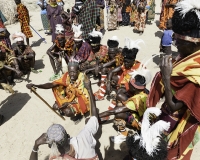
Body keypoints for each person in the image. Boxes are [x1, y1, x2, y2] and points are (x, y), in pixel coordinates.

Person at [148, 0, 200, 158]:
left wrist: (165, 75)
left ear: (194, 43)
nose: (175, 42)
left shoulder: (196, 73)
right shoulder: (189, 58)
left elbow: (174, 106)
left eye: (179, 41)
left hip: (177, 122)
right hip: (168, 116)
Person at [29, 73, 99, 160]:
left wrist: (36, 145)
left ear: (50, 145)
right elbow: (94, 118)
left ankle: (77, 115)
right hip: (70, 102)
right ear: (68, 135)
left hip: (77, 102)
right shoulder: (84, 137)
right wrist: (89, 89)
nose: (72, 74)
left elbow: (82, 97)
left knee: (69, 110)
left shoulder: (55, 158)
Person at [99, 67, 151, 143]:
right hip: (141, 113)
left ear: (134, 88)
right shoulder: (144, 91)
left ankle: (123, 135)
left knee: (119, 113)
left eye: (129, 84)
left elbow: (114, 111)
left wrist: (98, 115)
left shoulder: (137, 99)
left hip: (142, 123)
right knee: (120, 93)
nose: (128, 84)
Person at [26, 59, 91, 119]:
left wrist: (69, 103)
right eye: (70, 72)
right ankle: (72, 110)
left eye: (74, 72)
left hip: (82, 100)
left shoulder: (82, 78)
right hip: (70, 97)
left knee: (67, 112)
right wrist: (36, 85)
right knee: (56, 106)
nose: (72, 74)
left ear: (78, 71)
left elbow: (84, 97)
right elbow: (52, 84)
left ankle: (79, 113)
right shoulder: (66, 76)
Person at [106, 38, 143, 110]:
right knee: (113, 78)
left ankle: (116, 106)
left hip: (133, 91)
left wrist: (123, 87)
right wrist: (108, 84)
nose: (125, 64)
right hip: (124, 87)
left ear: (133, 60)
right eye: (125, 61)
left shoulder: (139, 68)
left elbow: (137, 86)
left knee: (120, 92)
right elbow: (111, 72)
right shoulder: (125, 65)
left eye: (127, 62)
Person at [93, 36, 123, 101]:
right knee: (104, 69)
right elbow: (100, 59)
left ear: (116, 51)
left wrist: (99, 67)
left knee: (108, 74)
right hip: (112, 71)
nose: (111, 55)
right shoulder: (109, 53)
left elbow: (112, 62)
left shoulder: (120, 55)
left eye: (113, 53)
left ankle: (105, 91)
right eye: (110, 53)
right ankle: (102, 90)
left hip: (120, 73)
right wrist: (97, 65)